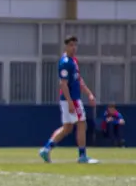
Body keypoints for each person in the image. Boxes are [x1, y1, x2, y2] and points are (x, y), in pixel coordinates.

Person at [39, 35, 99, 164]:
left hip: (71, 100)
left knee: (67, 128)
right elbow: (63, 84)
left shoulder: (73, 61)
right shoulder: (65, 62)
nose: (74, 48)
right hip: (71, 100)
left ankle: (46, 148)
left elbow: (79, 80)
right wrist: (71, 102)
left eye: (75, 45)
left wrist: (89, 94)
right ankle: (82, 156)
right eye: (71, 45)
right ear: (66, 46)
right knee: (82, 124)